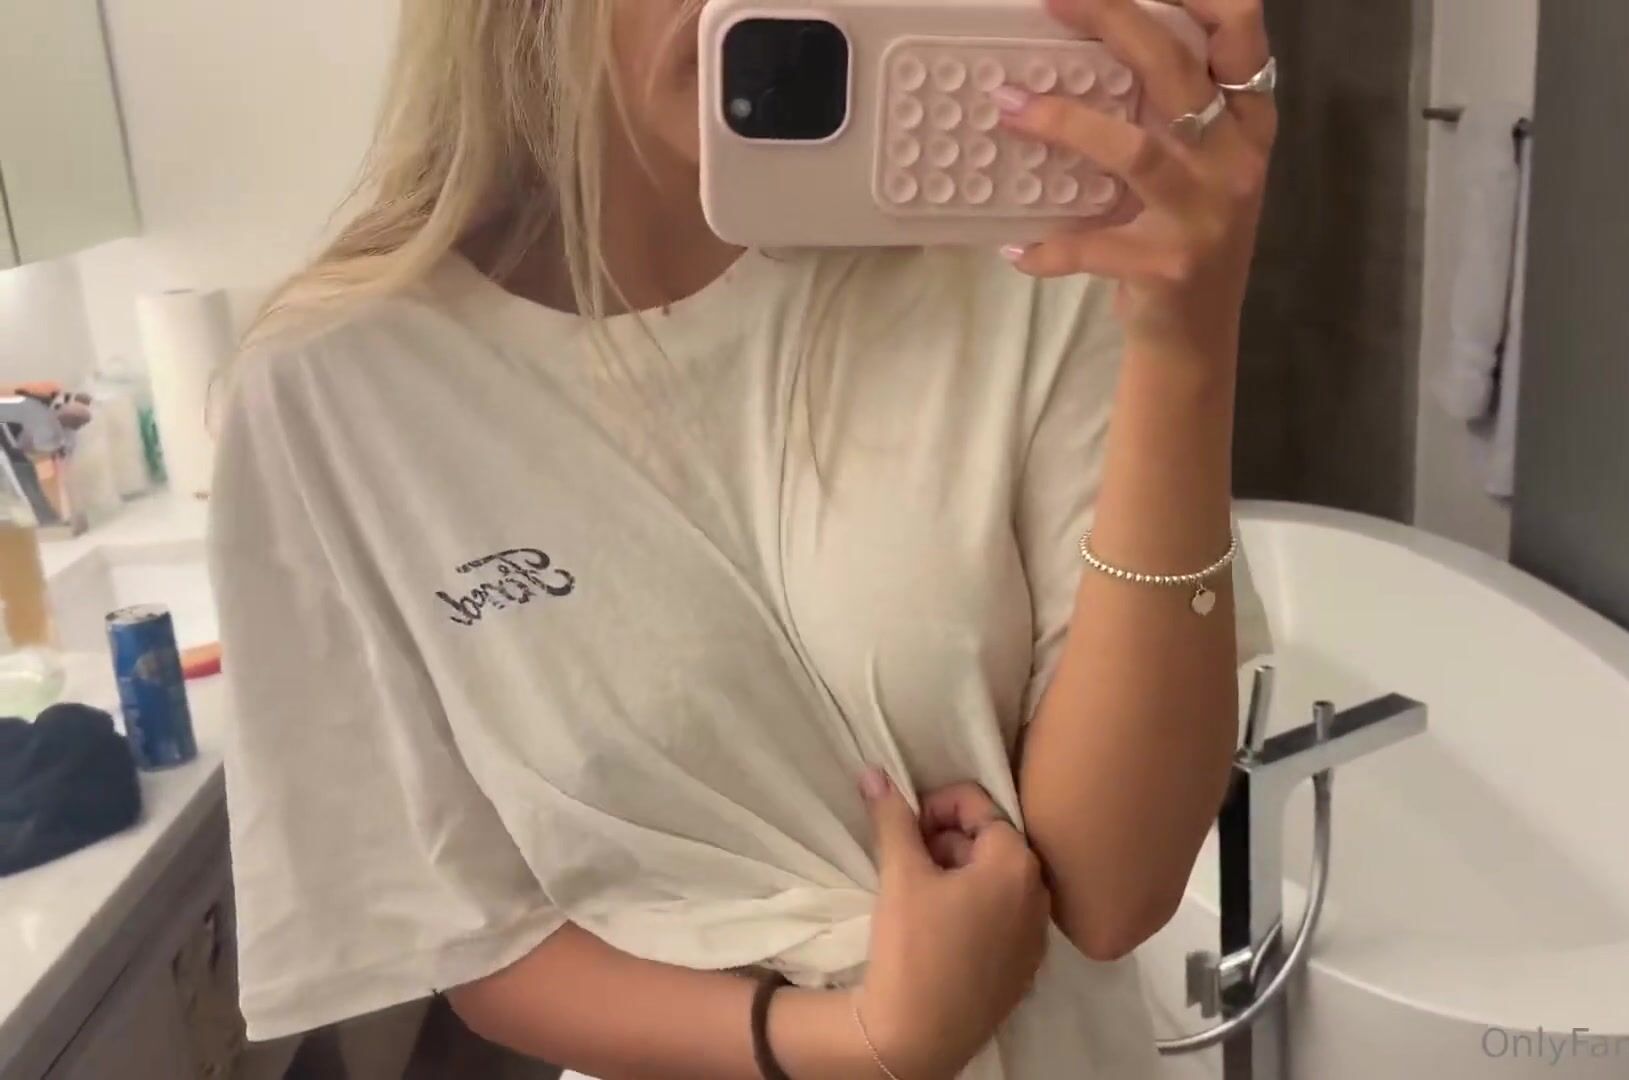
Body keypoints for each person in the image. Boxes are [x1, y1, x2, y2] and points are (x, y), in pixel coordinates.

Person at [208, 0, 1276, 1074]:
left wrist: (1187, 346)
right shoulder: (337, 390)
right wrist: (863, 1043)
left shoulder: (1023, 256)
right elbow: (470, 929)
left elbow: (1115, 891)